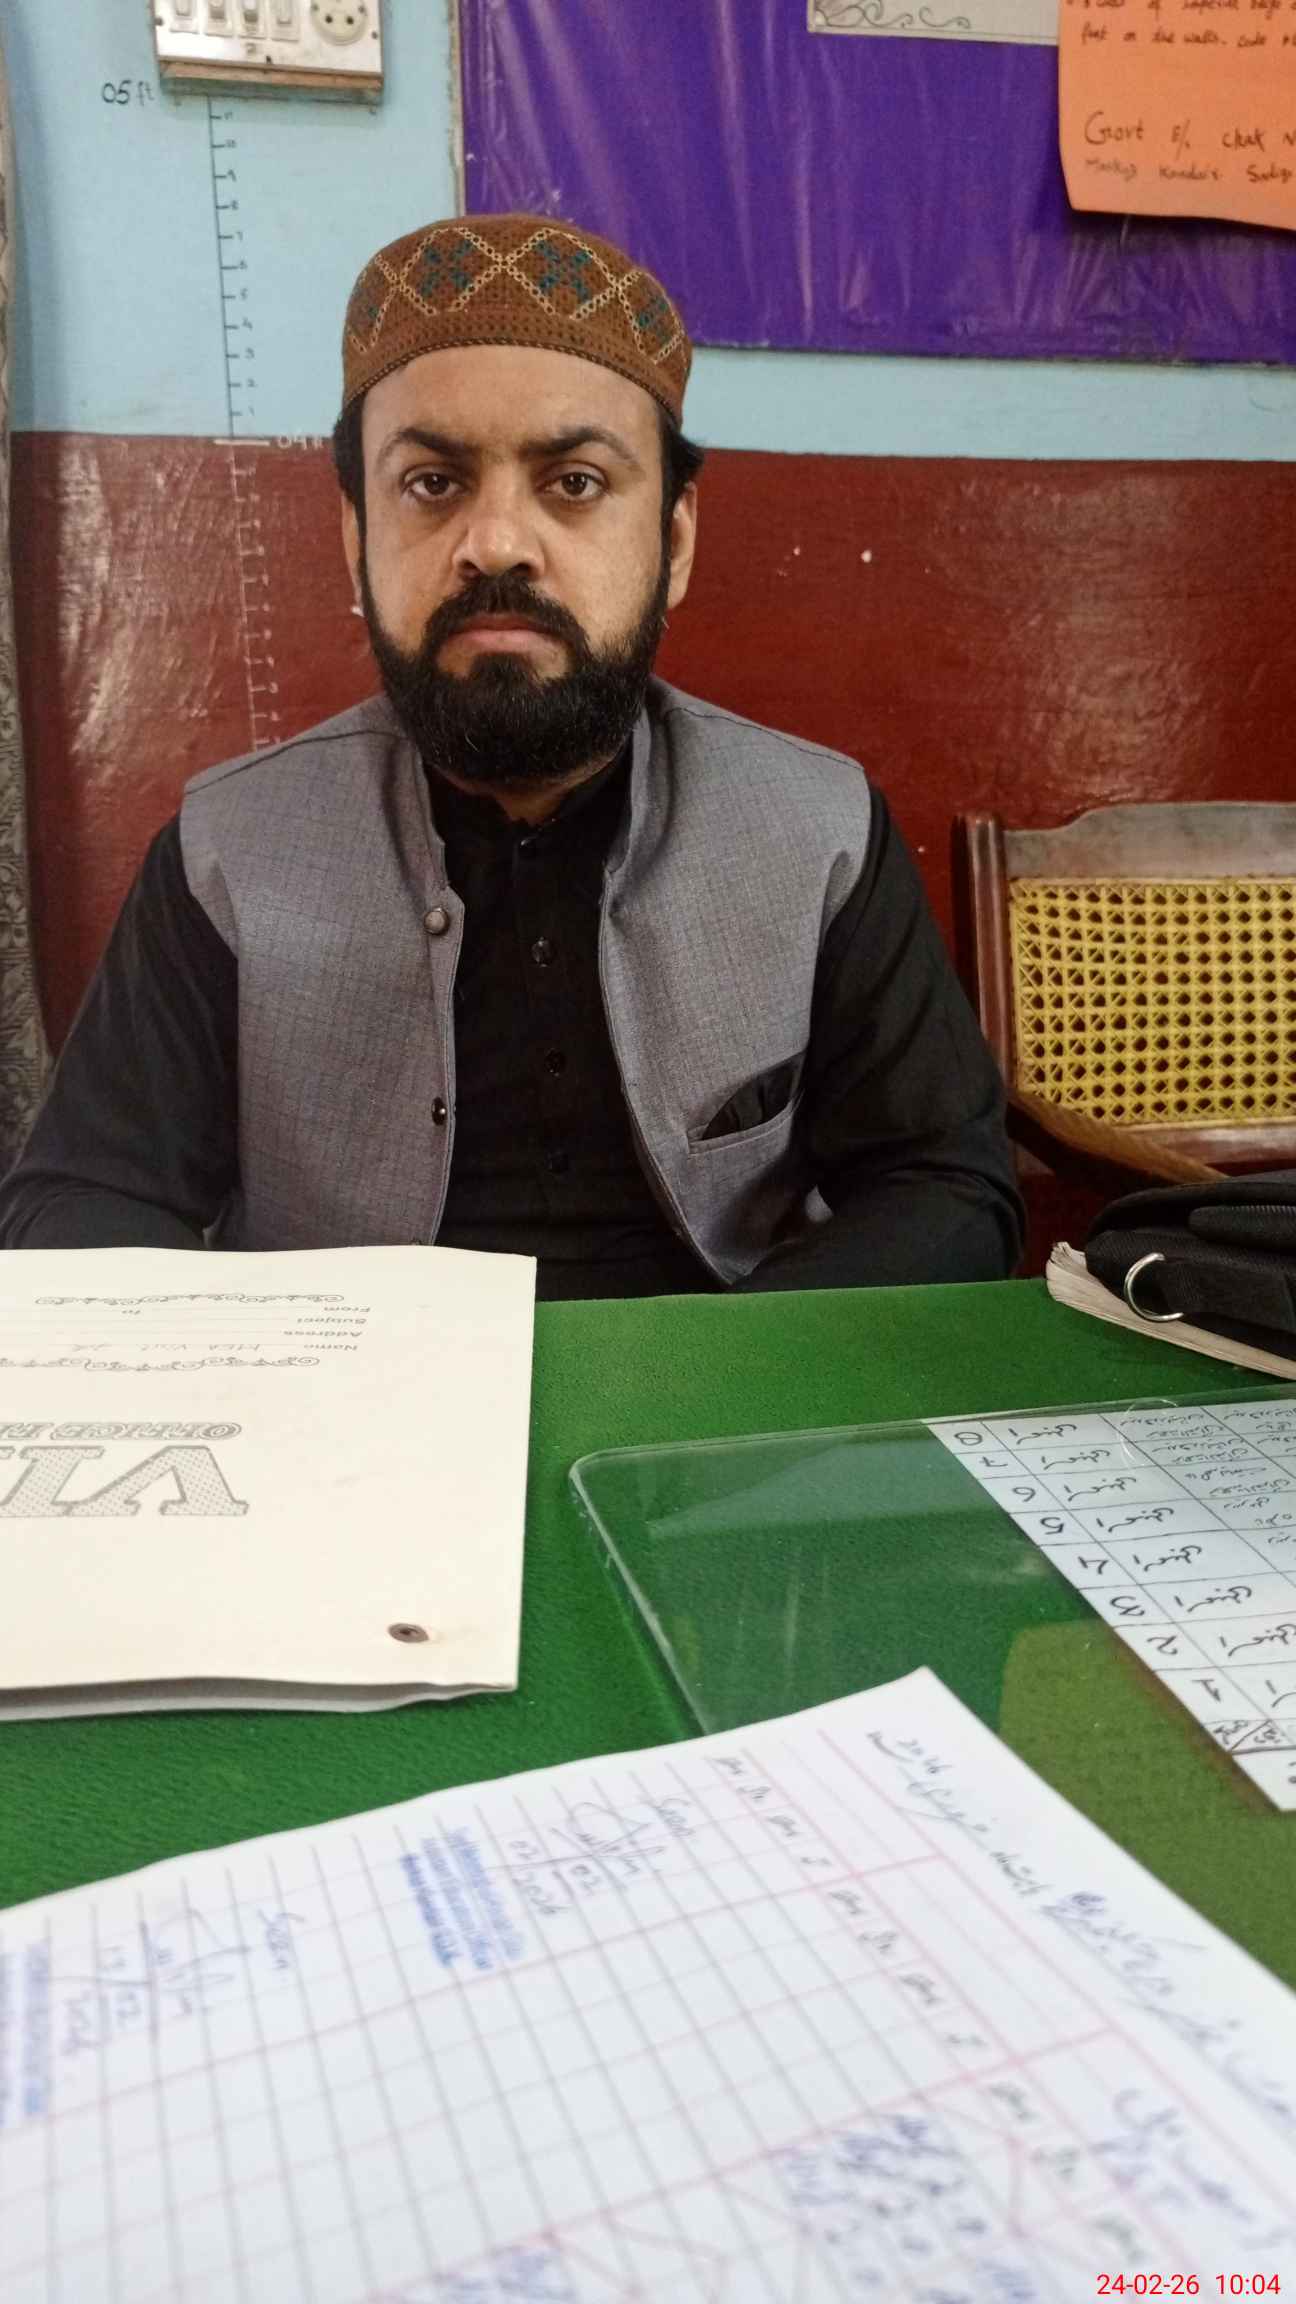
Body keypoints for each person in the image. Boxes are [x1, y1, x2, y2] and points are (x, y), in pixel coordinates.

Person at [0, 213, 1021, 1298]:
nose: (494, 544)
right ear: (355, 536)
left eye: (573, 482)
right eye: (433, 484)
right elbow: (80, 1205)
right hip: (355, 1393)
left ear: (674, 541)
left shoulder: (819, 833)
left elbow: (945, 1187)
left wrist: (729, 1367)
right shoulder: (227, 856)